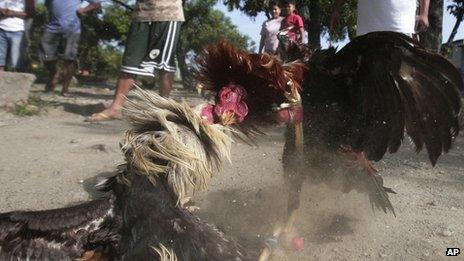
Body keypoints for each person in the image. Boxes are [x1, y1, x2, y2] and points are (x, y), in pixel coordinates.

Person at [87, 0, 185, 122]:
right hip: (141, 13)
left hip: (168, 13)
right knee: (130, 62)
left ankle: (163, 110)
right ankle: (116, 108)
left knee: (164, 64)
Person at [40, 0, 101, 96]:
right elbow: (48, 4)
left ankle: (65, 89)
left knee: (69, 59)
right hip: (52, 26)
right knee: (46, 54)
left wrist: (84, 10)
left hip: (72, 28)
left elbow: (96, 3)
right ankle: (55, 73)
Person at [330, 0, 430, 37]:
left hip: (399, 25)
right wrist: (336, 9)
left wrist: (424, 13)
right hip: (367, 28)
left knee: (401, 75)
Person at [0, 0, 35, 71]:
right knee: (0, 61)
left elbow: (31, 14)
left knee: (16, 63)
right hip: (1, 29)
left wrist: (12, 13)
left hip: (18, 31)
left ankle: (16, 80)